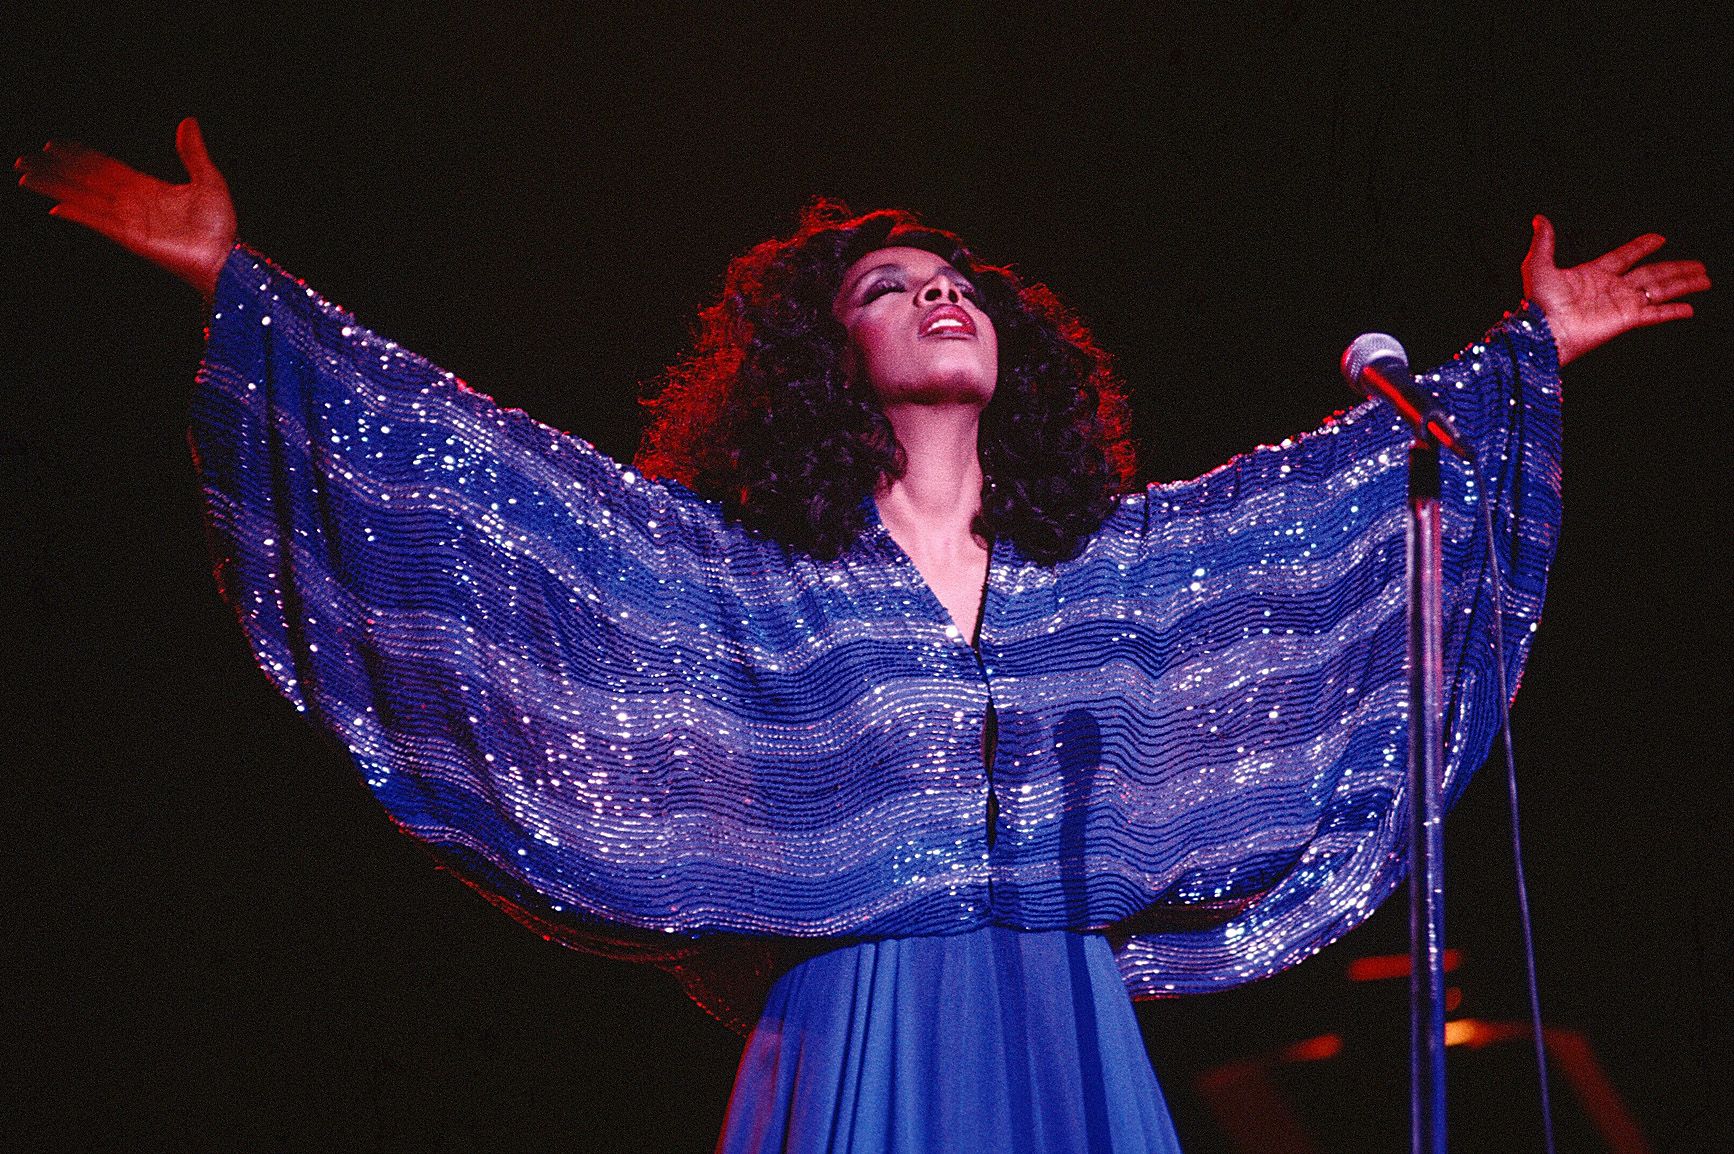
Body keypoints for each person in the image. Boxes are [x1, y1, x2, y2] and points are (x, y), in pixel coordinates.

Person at [17, 118, 1710, 1153]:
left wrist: (1523, 355)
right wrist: (237, 286)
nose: (937, 292)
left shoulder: (1104, 577)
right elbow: (487, 491)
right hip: (859, 1026)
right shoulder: (746, 576)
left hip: (1063, 1020)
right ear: (827, 367)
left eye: (955, 279)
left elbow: (1327, 514)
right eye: (887, 287)